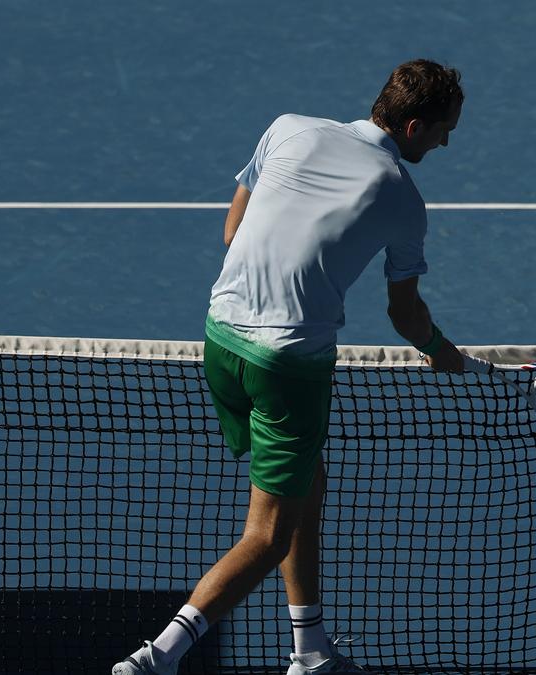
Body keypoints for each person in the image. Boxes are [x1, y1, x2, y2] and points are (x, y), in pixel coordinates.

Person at [113, 59, 465, 675]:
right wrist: (439, 349)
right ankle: (158, 658)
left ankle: (309, 650)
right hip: (288, 366)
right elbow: (404, 313)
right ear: (412, 126)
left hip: (220, 341)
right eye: (442, 130)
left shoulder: (289, 127)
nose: (445, 141)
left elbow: (233, 231)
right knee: (267, 535)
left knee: (309, 480)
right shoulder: (404, 200)